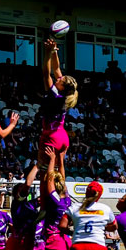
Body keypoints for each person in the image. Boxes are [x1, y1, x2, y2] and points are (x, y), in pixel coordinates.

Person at [38, 38, 79, 174]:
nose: (59, 78)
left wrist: (47, 53)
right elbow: (56, 68)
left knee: (45, 170)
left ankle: (49, 193)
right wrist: (54, 51)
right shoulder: (64, 94)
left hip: (51, 135)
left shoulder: (54, 95)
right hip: (62, 136)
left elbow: (46, 73)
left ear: (62, 86)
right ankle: (62, 192)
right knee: (60, 165)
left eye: (61, 79)